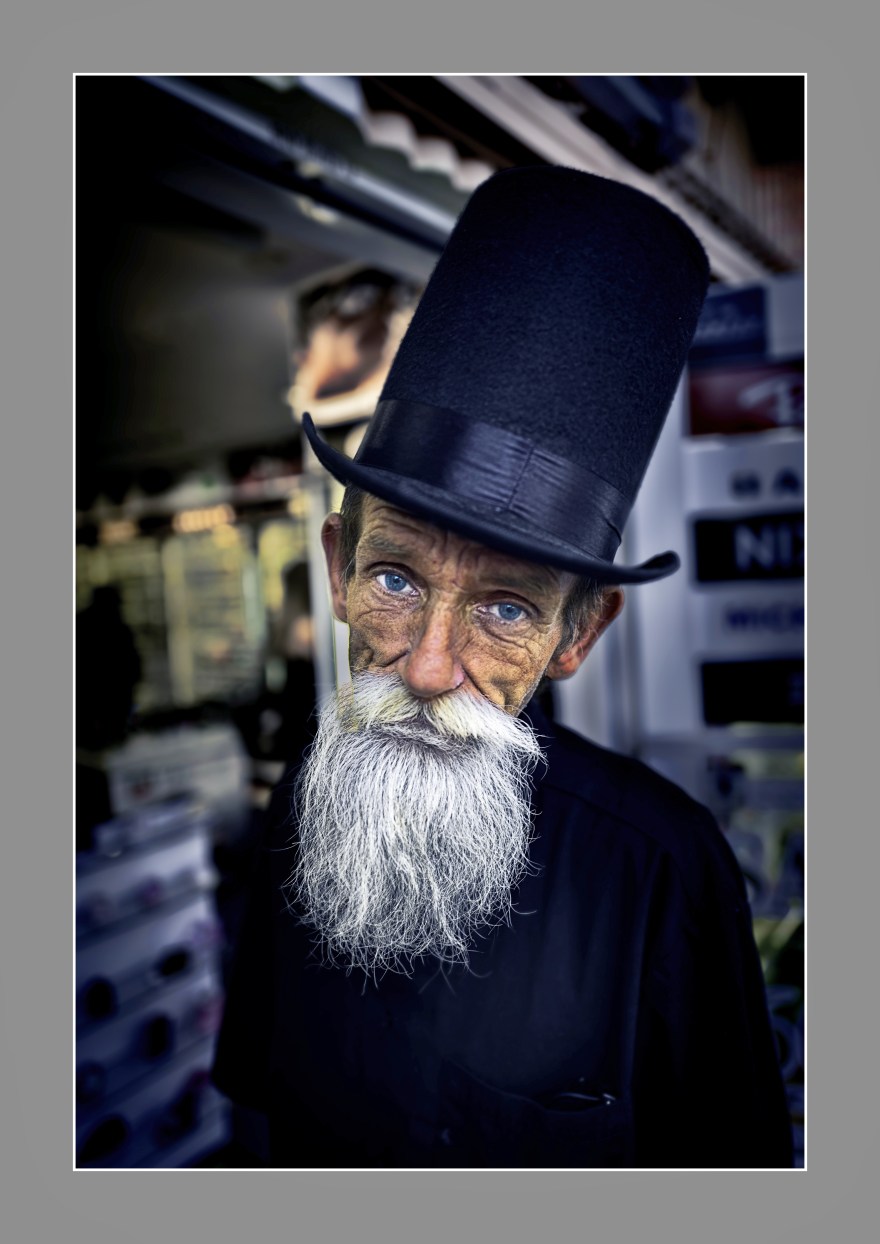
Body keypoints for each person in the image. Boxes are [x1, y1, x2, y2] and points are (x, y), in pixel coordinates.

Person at [211, 166, 794, 1168]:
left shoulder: (662, 868)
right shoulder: (301, 799)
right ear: (339, 569)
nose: (431, 667)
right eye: (394, 579)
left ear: (577, 634)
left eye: (505, 606)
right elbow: (259, 1115)